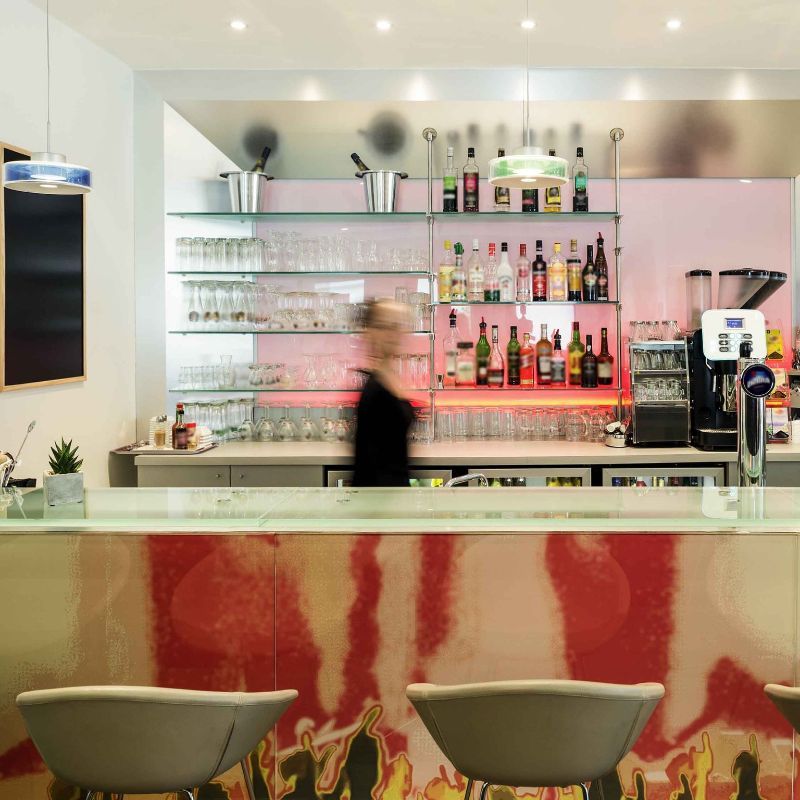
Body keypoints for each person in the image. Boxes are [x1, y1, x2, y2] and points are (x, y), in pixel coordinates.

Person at [352, 299, 414, 487]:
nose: (392, 334)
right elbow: (372, 463)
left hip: (393, 492)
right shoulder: (375, 390)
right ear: (369, 332)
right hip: (380, 495)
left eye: (397, 326)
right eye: (383, 326)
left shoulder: (388, 375)